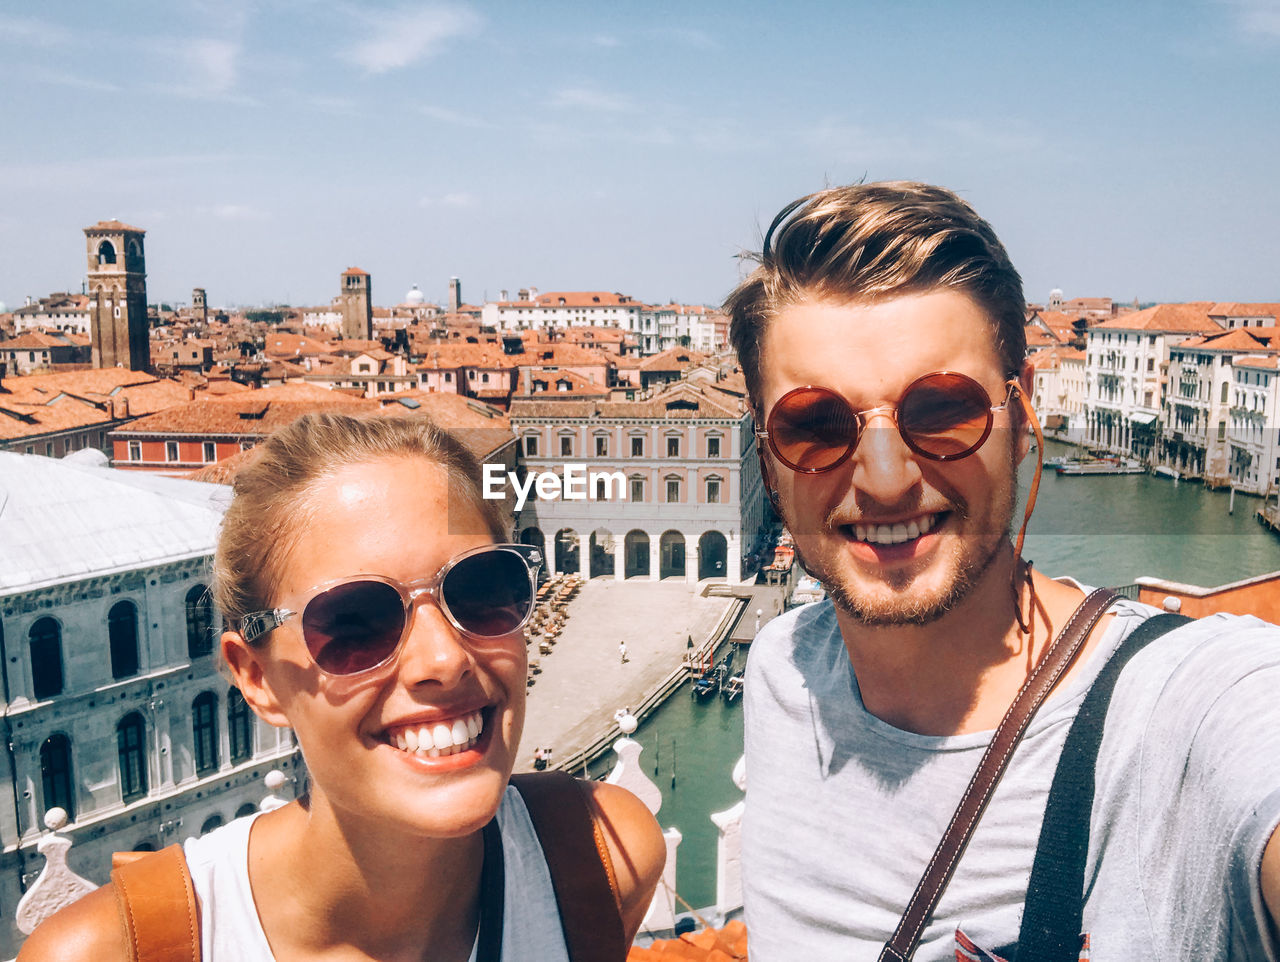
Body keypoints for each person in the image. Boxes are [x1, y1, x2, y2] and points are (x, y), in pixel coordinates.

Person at [725, 182, 1280, 959]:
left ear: (1021, 418)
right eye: (815, 424)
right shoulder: (784, 670)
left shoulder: (1186, 712)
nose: (884, 478)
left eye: (943, 409)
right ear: (767, 457)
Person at [20, 414, 664, 961]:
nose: (443, 657)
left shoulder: (604, 861)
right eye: (356, 622)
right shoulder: (113, 950)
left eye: (482, 590)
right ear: (256, 678)